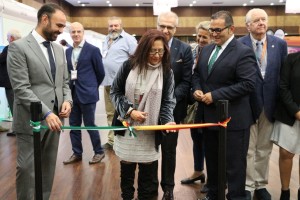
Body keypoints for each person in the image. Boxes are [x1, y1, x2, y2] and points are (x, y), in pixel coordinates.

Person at [7, 3, 72, 199]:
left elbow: (65, 82)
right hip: (31, 119)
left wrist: (67, 100)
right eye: (59, 26)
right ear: (44, 19)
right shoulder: (18, 48)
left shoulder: (59, 50)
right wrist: (47, 112)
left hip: (56, 120)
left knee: (48, 166)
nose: (61, 31)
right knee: (27, 168)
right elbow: (21, 88)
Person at [192, 10, 257, 200]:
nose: (213, 34)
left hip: (233, 121)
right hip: (209, 120)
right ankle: (214, 195)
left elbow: (248, 84)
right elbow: (197, 75)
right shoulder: (206, 50)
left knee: (234, 167)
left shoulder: (243, 52)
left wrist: (215, 95)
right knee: (212, 163)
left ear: (231, 29)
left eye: (218, 30)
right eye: (211, 30)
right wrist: (196, 90)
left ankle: (236, 197)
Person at [110, 29, 176, 200]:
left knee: (148, 175)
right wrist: (130, 111)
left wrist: (168, 121)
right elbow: (115, 92)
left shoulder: (167, 71)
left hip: (150, 130)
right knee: (127, 171)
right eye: (152, 50)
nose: (156, 55)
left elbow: (168, 101)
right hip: (127, 128)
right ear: (143, 49)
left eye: (160, 51)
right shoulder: (128, 65)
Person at [239, 8, 287, 200]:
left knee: (265, 149)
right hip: (247, 103)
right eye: (256, 20)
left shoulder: (279, 44)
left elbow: (282, 75)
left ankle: (261, 184)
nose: (261, 23)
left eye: (264, 19)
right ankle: (248, 185)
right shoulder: (239, 44)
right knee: (248, 148)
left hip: (270, 103)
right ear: (248, 25)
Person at [156, 11, 194, 200]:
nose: (165, 30)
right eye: (162, 26)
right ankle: (150, 186)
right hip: (148, 110)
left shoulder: (184, 49)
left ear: (176, 29)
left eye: (170, 27)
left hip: (173, 111)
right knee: (150, 149)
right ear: (157, 26)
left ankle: (168, 190)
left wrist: (167, 102)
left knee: (169, 151)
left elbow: (186, 82)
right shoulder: (146, 45)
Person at [63, 22, 105, 165]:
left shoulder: (93, 50)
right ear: (70, 33)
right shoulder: (67, 51)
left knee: (89, 124)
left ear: (83, 33)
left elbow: (101, 73)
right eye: (73, 32)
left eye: (78, 31)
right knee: (73, 125)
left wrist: (92, 87)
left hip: (88, 94)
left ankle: (99, 152)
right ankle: (77, 153)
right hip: (72, 94)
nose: (76, 34)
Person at [181, 21, 212, 194]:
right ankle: (198, 171)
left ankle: (213, 178)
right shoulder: (192, 50)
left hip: (210, 101)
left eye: (204, 37)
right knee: (196, 138)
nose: (200, 40)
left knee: (209, 141)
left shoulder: (216, 52)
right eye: (199, 36)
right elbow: (190, 74)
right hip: (193, 101)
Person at [101, 16, 137, 150]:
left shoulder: (129, 40)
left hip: (122, 84)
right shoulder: (106, 39)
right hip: (107, 82)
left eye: (116, 25)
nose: (113, 28)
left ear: (121, 26)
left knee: (123, 112)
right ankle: (112, 139)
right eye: (111, 26)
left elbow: (136, 60)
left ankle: (124, 138)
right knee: (110, 112)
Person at [270, 52, 300, 200]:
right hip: (290, 113)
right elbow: (283, 86)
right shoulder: (291, 59)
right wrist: (296, 111)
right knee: (286, 153)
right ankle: (285, 191)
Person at [0, 29, 21, 136]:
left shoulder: (10, 47)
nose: (7, 39)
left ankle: (17, 129)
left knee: (14, 106)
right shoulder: (21, 46)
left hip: (10, 83)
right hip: (17, 82)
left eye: (8, 37)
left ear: (11, 38)